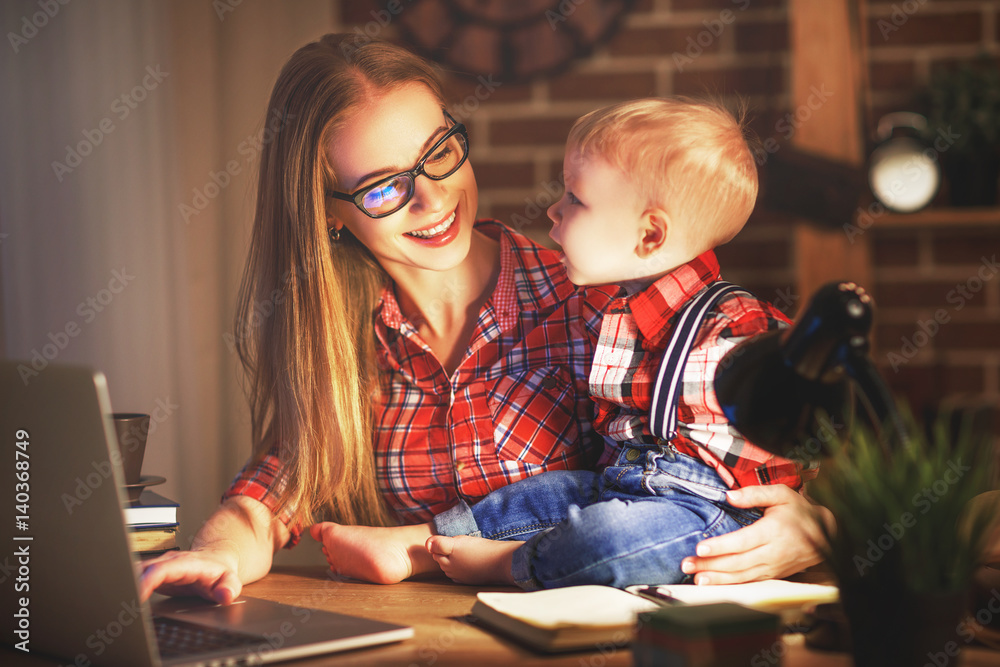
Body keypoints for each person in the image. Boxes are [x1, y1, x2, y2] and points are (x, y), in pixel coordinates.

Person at [137, 34, 827, 605]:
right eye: (384, 186)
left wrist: (817, 525)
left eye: (438, 152)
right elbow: (272, 493)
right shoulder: (341, 345)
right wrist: (217, 553)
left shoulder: (589, 298)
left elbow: (744, 436)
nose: (432, 198)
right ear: (328, 212)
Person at [421, 97, 819, 589]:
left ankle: (508, 564)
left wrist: (812, 510)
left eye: (574, 199)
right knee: (543, 493)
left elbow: (811, 410)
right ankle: (432, 544)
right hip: (622, 485)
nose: (552, 209)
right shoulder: (612, 307)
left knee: (606, 538)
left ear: (649, 234)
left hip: (706, 511)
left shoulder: (738, 326)